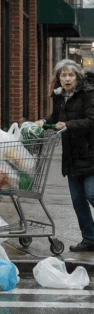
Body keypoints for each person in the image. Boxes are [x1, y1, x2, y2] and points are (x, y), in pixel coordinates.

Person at [36, 59, 94, 253]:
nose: (67, 79)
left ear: (77, 77)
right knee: (78, 201)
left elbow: (91, 120)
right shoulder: (59, 96)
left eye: (71, 75)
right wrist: (43, 121)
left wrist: (68, 125)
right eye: (63, 75)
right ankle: (90, 239)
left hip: (90, 153)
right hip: (71, 156)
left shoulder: (88, 94)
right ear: (58, 78)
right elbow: (57, 118)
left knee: (91, 194)